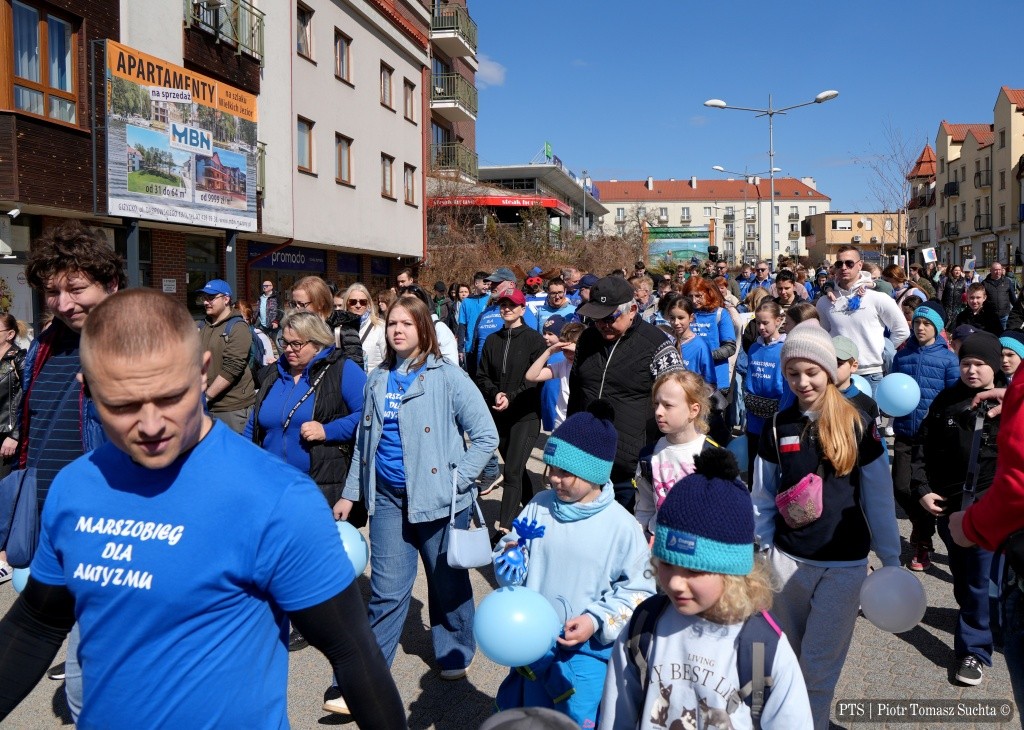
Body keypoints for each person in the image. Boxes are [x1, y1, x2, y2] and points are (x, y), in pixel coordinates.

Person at [0, 289, 406, 728]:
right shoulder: (76, 487)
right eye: (123, 403)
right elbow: (37, 623)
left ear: (201, 371)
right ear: (88, 387)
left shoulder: (274, 498)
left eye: (170, 396)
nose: (151, 425)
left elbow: (353, 652)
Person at [335, 294, 498, 679]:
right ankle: (368, 676)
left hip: (440, 500)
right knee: (387, 590)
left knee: (446, 582)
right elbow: (364, 442)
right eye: (392, 323)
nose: (397, 330)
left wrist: (457, 481)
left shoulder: (448, 377)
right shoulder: (377, 379)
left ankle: (456, 647)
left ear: (423, 328)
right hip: (388, 498)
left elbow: (486, 436)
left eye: (406, 323)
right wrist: (350, 492)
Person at [752, 322, 901, 729]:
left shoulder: (858, 422)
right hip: (787, 562)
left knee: (818, 672)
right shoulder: (778, 425)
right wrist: (764, 550)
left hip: (843, 567)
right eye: (792, 373)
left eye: (811, 372)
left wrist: (891, 559)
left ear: (829, 370)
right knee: (785, 663)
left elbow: (878, 496)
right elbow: (762, 494)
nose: (802, 382)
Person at [600, 449, 812, 729]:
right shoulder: (644, 626)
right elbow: (616, 715)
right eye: (667, 563)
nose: (675, 582)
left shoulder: (763, 648)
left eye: (694, 571)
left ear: (732, 573)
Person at [14, 220, 125, 711]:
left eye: (76, 289)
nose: (63, 303)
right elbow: (35, 428)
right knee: (40, 631)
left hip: (110, 525)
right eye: (53, 291)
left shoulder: (136, 341)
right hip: (53, 524)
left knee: (91, 678)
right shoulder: (43, 345)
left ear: (111, 284)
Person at [492, 403, 655, 726]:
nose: (554, 479)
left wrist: (595, 620)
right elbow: (512, 545)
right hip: (532, 645)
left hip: (586, 656)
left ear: (594, 473)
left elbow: (639, 591)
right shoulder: (539, 506)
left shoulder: (621, 527)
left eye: (565, 472)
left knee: (574, 720)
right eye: (550, 468)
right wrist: (509, 558)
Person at [913, 332, 1003, 687]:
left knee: (979, 578)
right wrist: (922, 490)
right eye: (966, 363)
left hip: (989, 507)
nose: (972, 370)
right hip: (949, 508)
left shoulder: (1011, 404)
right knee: (964, 578)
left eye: (980, 364)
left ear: (994, 366)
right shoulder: (946, 401)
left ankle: (973, 652)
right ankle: (983, 622)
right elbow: (922, 447)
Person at [568, 276, 683, 511]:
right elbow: (576, 391)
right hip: (586, 457)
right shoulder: (587, 339)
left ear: (632, 310)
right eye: (597, 318)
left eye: (610, 318)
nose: (603, 324)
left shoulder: (657, 345)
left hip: (630, 465)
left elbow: (677, 404)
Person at [890, 301, 960, 572]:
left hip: (932, 440)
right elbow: (893, 388)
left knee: (924, 489)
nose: (920, 327)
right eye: (917, 322)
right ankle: (922, 527)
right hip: (905, 432)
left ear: (937, 328)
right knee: (901, 487)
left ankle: (922, 540)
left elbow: (954, 399)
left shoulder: (948, 360)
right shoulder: (902, 356)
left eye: (927, 323)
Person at [476, 288, 547, 532]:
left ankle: (504, 528)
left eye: (512, 305)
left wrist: (512, 397)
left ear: (522, 309)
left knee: (512, 471)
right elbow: (482, 375)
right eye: (503, 305)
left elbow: (535, 381)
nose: (506, 309)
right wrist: (495, 393)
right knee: (516, 467)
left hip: (525, 415)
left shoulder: (534, 340)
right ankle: (534, 508)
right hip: (500, 415)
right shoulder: (492, 340)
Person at [816, 246, 909, 395]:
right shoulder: (825, 301)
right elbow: (824, 334)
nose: (844, 268)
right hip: (838, 375)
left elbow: (902, 330)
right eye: (839, 264)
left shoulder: (877, 297)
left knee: (871, 412)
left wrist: (882, 348)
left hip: (871, 374)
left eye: (849, 263)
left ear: (860, 265)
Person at [634, 369, 712, 540]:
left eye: (668, 405)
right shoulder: (648, 456)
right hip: (656, 543)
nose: (658, 412)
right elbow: (644, 508)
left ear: (693, 410)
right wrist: (639, 540)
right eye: (656, 404)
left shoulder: (713, 457)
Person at [196, 279, 256, 433]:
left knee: (235, 448)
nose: (206, 302)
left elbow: (232, 368)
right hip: (205, 407)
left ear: (226, 299)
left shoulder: (238, 327)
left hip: (232, 408)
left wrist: (206, 397)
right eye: (204, 298)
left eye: (211, 298)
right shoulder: (201, 326)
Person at [744, 301, 787, 481]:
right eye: (758, 322)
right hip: (754, 415)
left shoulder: (784, 348)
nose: (761, 327)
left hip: (776, 415)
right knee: (754, 460)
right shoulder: (754, 348)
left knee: (775, 462)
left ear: (778, 321)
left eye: (765, 323)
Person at [0, 313, 26, 582]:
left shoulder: (19, 359)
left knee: (6, 493)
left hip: (6, 435)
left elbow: (26, 397)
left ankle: (4, 557)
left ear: (9, 334)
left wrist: (15, 435)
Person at [290, 276, 364, 368]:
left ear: (320, 303)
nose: (296, 309)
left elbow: (355, 372)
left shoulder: (344, 332)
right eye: (294, 304)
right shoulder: (296, 329)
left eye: (301, 304)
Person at [526, 321, 583, 432]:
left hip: (581, 425)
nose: (569, 354)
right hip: (561, 424)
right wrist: (549, 352)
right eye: (565, 350)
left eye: (573, 351)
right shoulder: (562, 365)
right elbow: (531, 376)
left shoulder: (591, 366)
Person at [659, 293, 716, 386]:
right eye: (672, 318)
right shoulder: (666, 342)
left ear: (691, 318)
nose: (676, 322)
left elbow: (710, 382)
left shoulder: (700, 347)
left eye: (681, 318)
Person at [401, 284, 459, 364]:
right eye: (403, 301)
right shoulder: (397, 329)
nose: (406, 306)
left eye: (412, 302)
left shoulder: (439, 328)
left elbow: (452, 365)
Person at [341, 283, 386, 372]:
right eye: (353, 302)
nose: (358, 305)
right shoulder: (339, 328)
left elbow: (388, 360)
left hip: (372, 379)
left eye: (362, 302)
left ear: (368, 304)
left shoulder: (380, 327)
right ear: (347, 303)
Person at [458, 271, 493, 368]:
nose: (486, 287)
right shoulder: (466, 302)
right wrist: (460, 348)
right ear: (476, 283)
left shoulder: (490, 300)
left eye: (488, 284)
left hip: (486, 344)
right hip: (470, 346)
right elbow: (462, 326)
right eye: (484, 284)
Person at [983, 262, 1017, 331]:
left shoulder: (1007, 281)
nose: (998, 272)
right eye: (995, 270)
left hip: (1004, 316)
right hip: (990, 317)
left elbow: (1013, 298)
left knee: (1004, 335)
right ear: (990, 270)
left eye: (999, 269)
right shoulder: (984, 283)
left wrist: (1018, 310)